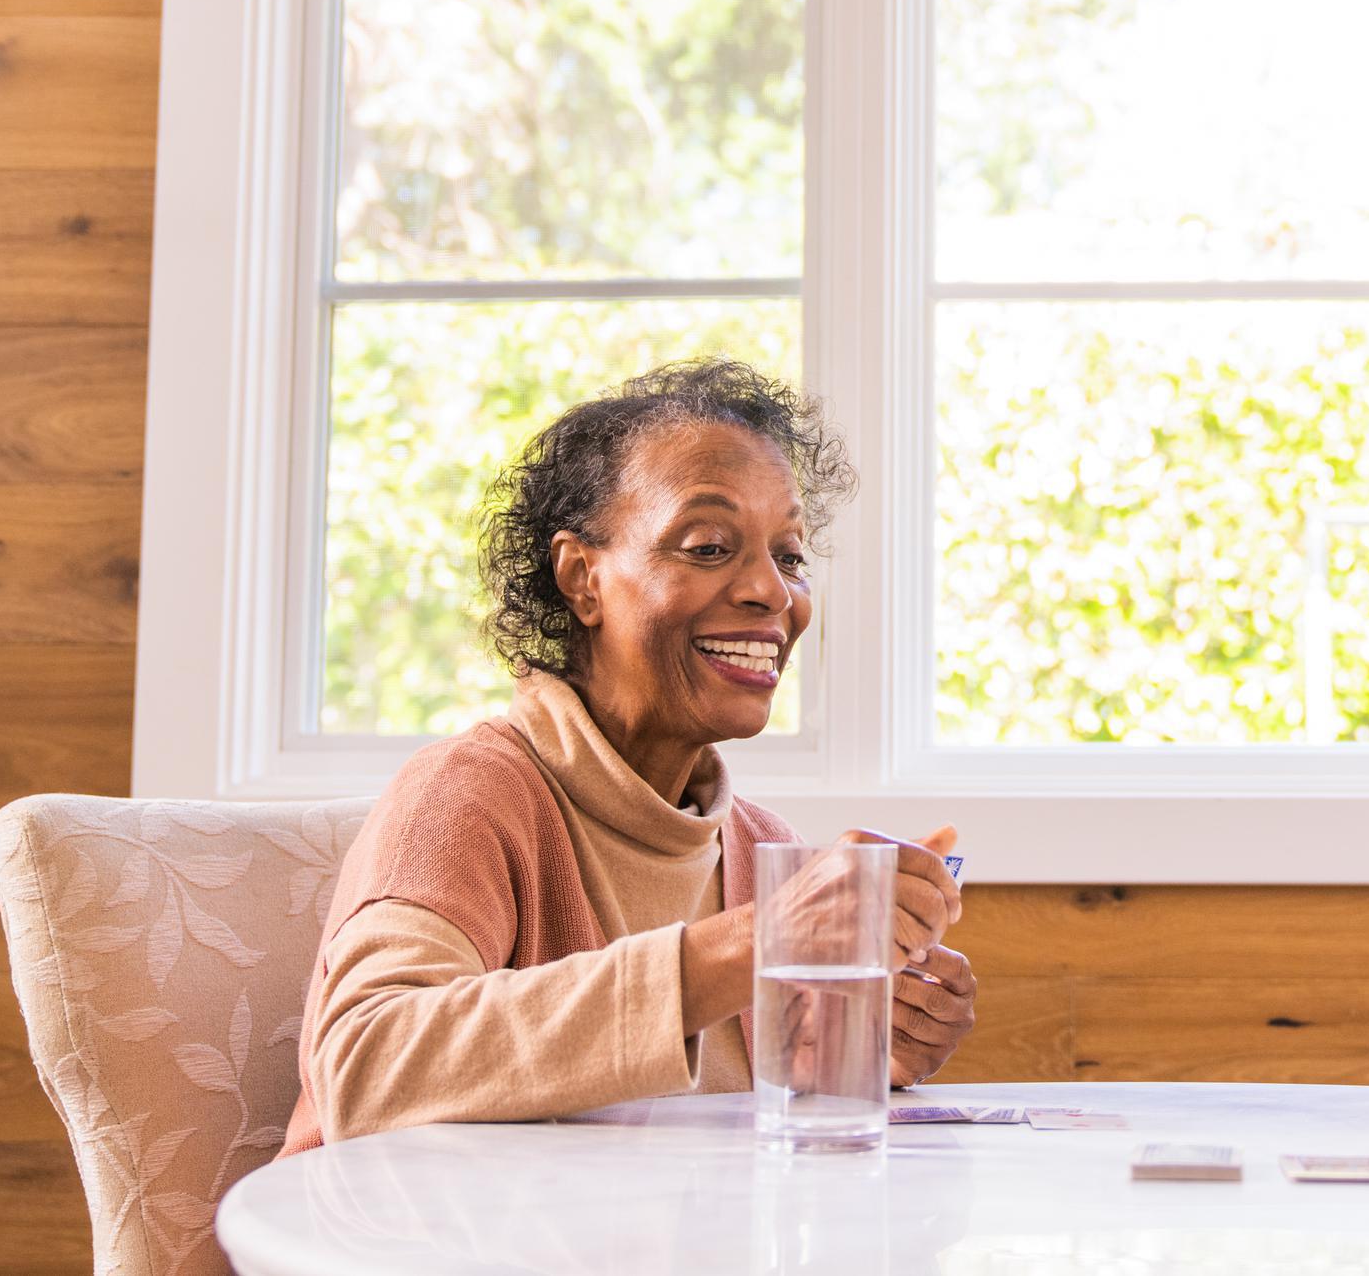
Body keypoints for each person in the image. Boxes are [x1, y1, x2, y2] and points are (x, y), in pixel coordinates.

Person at [282, 360, 974, 1152]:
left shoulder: (758, 845)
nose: (774, 595)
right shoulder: (469, 795)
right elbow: (367, 1069)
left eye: (788, 555)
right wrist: (758, 943)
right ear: (582, 578)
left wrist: (850, 1057)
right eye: (710, 546)